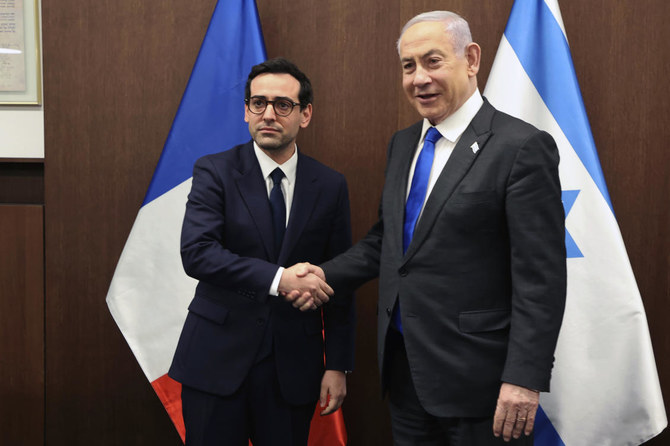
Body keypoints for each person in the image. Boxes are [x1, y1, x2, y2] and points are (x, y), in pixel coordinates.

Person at [290, 11, 566, 445]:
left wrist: (523, 378)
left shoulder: (521, 147)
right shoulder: (403, 144)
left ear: (471, 58)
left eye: (433, 61)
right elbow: (390, 242)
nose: (419, 78)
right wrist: (324, 275)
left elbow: (541, 279)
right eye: (408, 66)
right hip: (405, 376)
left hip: (483, 387)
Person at [168, 57, 355, 446]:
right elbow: (198, 253)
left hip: (292, 369)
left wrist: (337, 365)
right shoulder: (215, 171)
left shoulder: (330, 185)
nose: (268, 114)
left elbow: (340, 278)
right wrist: (279, 279)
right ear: (246, 111)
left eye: (282, 105)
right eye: (258, 103)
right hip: (216, 363)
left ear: (305, 114)